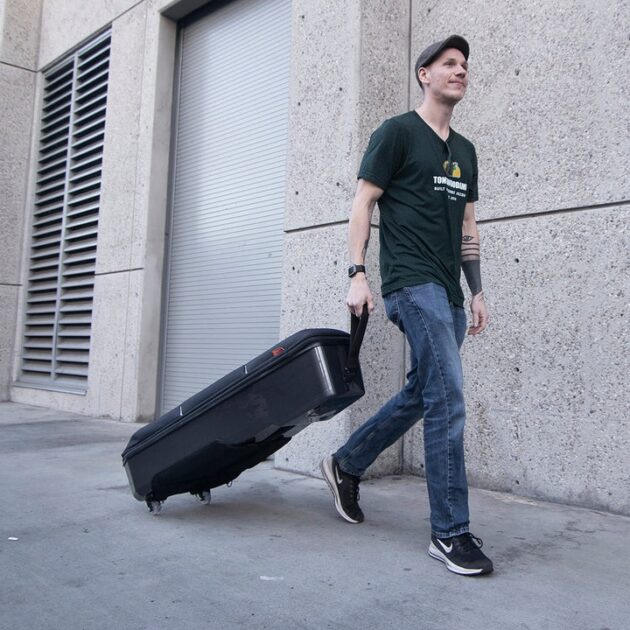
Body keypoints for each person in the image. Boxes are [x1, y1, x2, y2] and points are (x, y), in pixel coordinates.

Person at [320, 35, 493, 576]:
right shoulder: (396, 133)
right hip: (410, 284)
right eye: (449, 64)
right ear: (424, 74)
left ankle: (346, 463)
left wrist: (477, 289)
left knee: (423, 392)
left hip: (448, 291)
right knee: (448, 398)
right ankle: (450, 532)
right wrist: (357, 274)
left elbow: (467, 227)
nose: (460, 71)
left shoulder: (465, 151)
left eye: (464, 66)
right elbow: (363, 202)